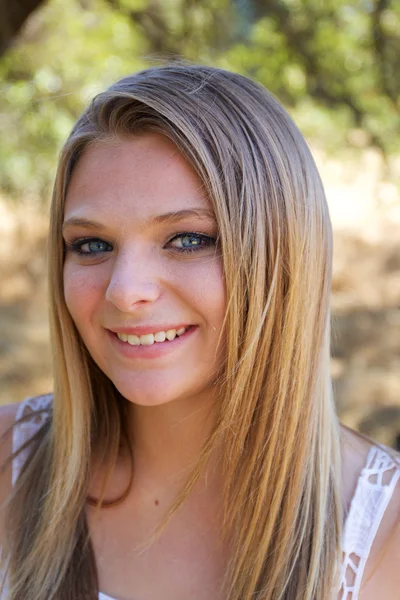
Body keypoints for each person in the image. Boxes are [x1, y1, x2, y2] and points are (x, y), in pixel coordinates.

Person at [0, 64, 399, 600]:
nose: (124, 290)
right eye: (92, 245)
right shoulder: (8, 463)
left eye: (187, 239)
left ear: (281, 256)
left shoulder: (383, 533)